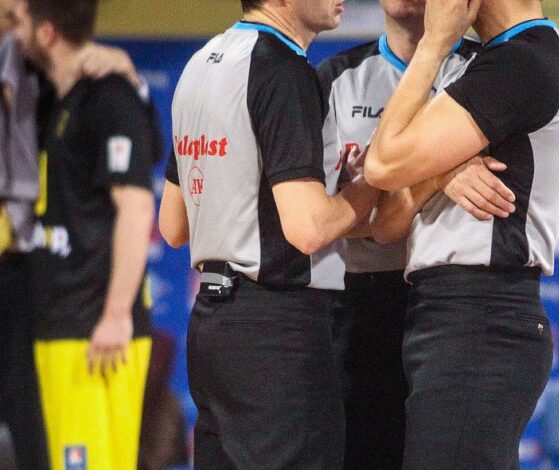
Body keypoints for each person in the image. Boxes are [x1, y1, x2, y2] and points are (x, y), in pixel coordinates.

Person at [362, 0, 559, 466]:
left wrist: (432, 44)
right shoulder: (485, 60)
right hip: (448, 314)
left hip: (483, 315)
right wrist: (439, 174)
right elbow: (385, 223)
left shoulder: (524, 59)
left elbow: (383, 164)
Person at [158, 0, 379, 467]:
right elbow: (309, 228)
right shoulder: (284, 70)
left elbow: (173, 226)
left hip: (213, 326)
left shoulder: (198, 66)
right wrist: (376, 181)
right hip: (276, 332)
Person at [316, 0, 517, 466]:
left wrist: (396, 189)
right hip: (360, 306)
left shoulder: (490, 69)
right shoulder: (334, 79)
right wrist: (439, 174)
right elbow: (317, 218)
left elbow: (506, 193)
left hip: (459, 299)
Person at [11, 0, 161, 468]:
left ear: (47, 32)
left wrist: (115, 315)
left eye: (17, 22)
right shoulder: (57, 99)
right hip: (60, 323)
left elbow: (137, 206)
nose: (11, 34)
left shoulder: (109, 96)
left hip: (96, 330)